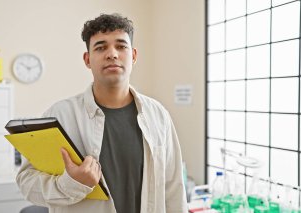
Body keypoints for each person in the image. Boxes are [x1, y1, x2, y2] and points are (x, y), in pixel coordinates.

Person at [16, 13, 187, 213]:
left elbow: (173, 189)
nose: (112, 54)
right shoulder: (59, 115)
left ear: (133, 56)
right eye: (101, 47)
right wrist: (72, 184)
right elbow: (27, 183)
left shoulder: (158, 115)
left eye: (121, 46)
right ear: (87, 59)